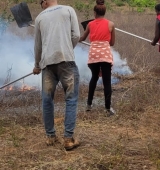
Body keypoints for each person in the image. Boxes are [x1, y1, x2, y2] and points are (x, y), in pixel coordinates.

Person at [33, 0, 80, 150]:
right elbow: (76, 35)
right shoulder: (68, 10)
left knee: (47, 100)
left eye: (40, 2)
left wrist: (37, 65)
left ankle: (50, 136)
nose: (41, 5)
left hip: (47, 64)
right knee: (71, 99)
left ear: (45, 1)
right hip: (67, 62)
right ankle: (68, 138)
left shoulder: (40, 18)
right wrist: (67, 49)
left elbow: (38, 46)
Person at [79, 0, 116, 116]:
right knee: (107, 81)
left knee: (94, 78)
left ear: (94, 13)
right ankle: (107, 108)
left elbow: (82, 38)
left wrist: (73, 38)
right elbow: (112, 43)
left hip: (93, 55)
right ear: (104, 12)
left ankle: (89, 105)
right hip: (105, 55)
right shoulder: (111, 24)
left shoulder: (90, 24)